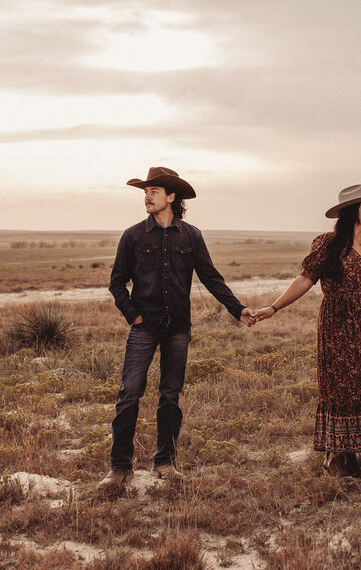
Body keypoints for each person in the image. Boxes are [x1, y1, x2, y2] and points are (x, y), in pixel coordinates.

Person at [97, 167, 255, 495]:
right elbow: (116, 282)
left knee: (170, 396)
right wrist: (133, 316)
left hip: (178, 329)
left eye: (154, 191)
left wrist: (238, 309)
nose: (147, 196)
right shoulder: (133, 236)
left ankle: (165, 463)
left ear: (171, 197)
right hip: (144, 328)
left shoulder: (191, 236)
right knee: (129, 394)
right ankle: (120, 469)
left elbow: (211, 278)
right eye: (146, 191)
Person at [249, 184, 361, 477]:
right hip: (338, 326)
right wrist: (274, 308)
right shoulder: (328, 245)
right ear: (353, 211)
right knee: (341, 389)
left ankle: (351, 459)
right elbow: (305, 280)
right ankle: (334, 457)